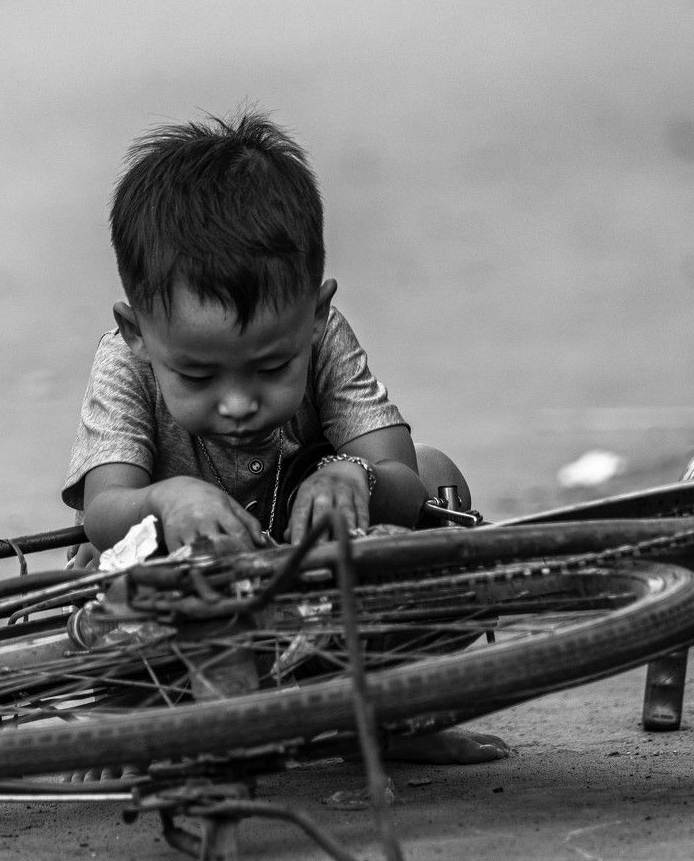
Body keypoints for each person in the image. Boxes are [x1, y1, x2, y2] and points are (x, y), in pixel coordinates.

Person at [63, 109, 510, 764]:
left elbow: (406, 480)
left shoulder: (323, 338)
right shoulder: (123, 362)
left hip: (316, 594)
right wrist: (169, 498)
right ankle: (145, 731)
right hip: (181, 609)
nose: (240, 402)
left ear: (316, 311)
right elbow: (104, 510)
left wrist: (352, 477)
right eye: (198, 374)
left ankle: (385, 721)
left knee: (441, 480)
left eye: (273, 368)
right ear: (137, 332)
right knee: (108, 608)